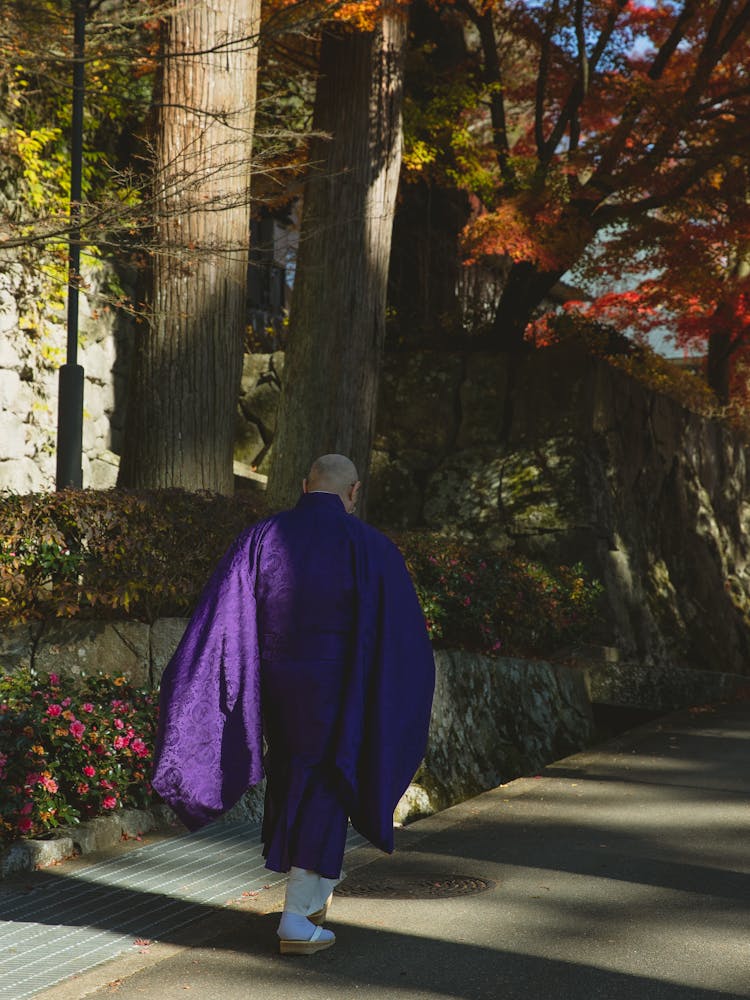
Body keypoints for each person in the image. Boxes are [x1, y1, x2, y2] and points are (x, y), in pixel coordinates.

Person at [152, 454, 435, 955]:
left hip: (278, 691)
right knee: (328, 783)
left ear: (305, 486)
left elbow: (222, 617)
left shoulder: (261, 538)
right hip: (342, 690)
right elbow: (406, 641)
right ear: (354, 493)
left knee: (295, 777)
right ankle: (297, 919)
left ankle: (311, 896)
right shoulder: (371, 547)